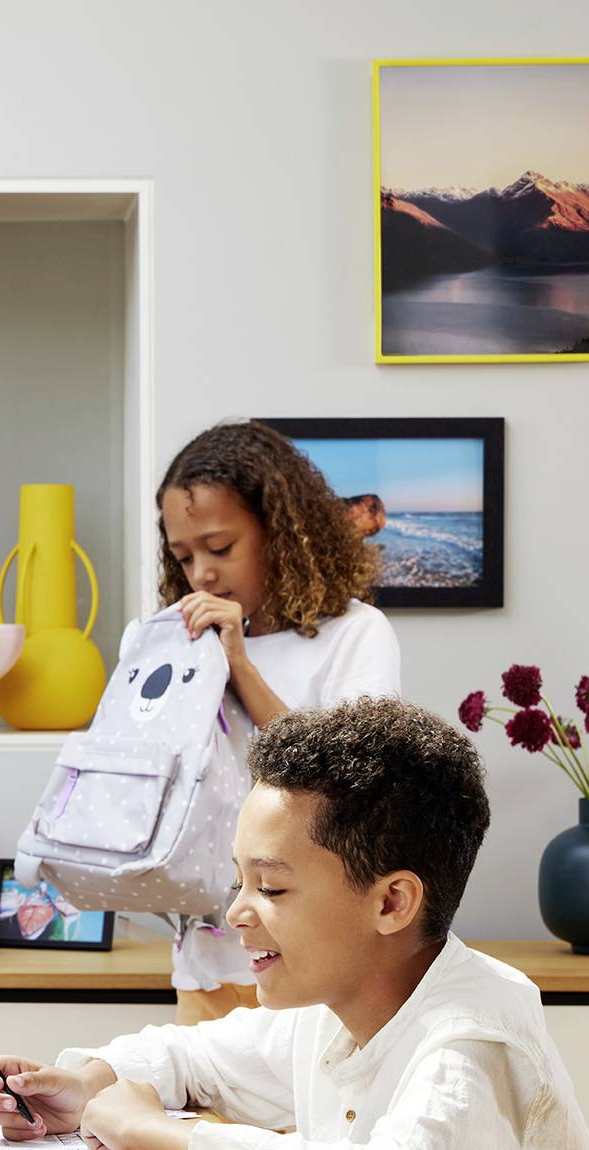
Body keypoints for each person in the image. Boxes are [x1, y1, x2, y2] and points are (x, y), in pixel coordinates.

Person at [0, 698, 589, 1150]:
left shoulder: (473, 1037)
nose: (235, 913)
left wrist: (163, 1134)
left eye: (272, 887)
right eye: (239, 880)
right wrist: (87, 1083)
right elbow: (193, 1058)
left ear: (390, 902)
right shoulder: (330, 1007)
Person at [154, 420, 401, 1023]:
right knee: (196, 1117)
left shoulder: (355, 633)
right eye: (184, 556)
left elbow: (347, 781)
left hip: (319, 961)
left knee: (309, 1120)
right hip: (208, 952)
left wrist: (238, 661)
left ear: (283, 535)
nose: (201, 574)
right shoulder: (191, 642)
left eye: (220, 547)